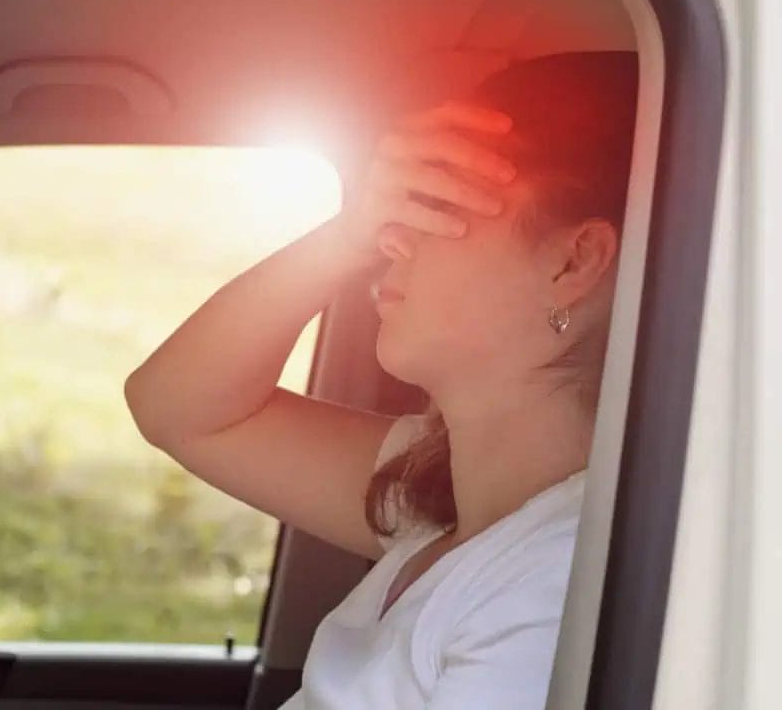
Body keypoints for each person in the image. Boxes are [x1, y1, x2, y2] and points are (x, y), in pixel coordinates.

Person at [124, 51, 638, 709]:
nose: (389, 238)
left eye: (431, 201)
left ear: (573, 262)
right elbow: (174, 407)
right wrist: (348, 233)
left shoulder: (554, 583)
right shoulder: (444, 501)